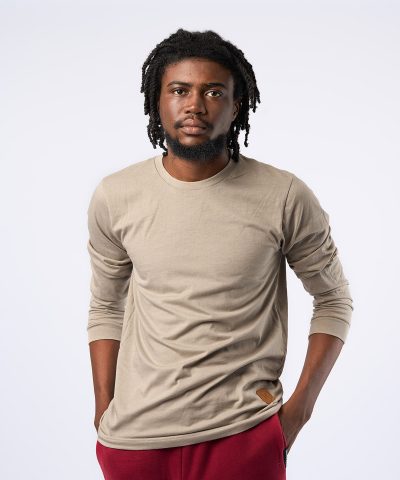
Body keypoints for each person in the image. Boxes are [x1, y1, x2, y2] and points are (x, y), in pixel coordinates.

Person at [87, 28, 354, 480]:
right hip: (134, 443)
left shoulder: (283, 195)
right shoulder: (116, 196)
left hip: (242, 436)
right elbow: (106, 306)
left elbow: (333, 299)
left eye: (213, 92)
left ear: (236, 105)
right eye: (179, 90)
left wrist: (296, 415)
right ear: (157, 101)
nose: (195, 105)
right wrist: (103, 412)